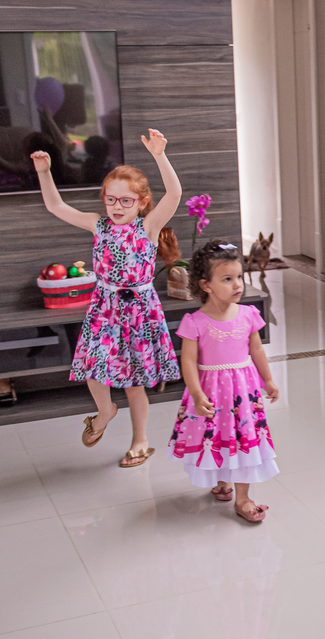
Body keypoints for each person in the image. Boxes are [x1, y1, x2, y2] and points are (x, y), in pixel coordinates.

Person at [32, 128, 185, 467]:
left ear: (141, 203)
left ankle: (140, 440)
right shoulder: (97, 225)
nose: (117, 206)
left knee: (134, 383)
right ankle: (105, 411)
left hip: (140, 311)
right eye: (111, 199)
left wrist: (160, 155)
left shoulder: (148, 227)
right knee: (92, 367)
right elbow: (56, 206)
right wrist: (45, 172)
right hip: (105, 308)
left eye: (126, 200)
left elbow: (174, 195)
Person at [168, 240, 279, 523]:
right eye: (227, 279)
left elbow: (256, 350)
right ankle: (223, 481)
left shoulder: (248, 314)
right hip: (211, 394)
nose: (237, 284)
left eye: (239, 277)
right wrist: (195, 392)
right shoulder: (195, 321)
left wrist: (268, 380)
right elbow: (189, 361)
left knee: (242, 439)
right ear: (206, 285)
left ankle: (243, 498)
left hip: (243, 392)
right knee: (217, 437)